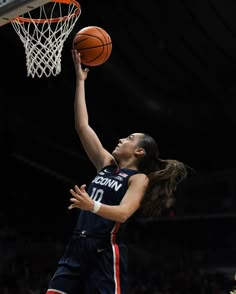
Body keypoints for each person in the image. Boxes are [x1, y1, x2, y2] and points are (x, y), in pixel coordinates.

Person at [46, 50, 188, 294]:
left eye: (130, 138)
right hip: (76, 246)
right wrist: (80, 81)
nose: (122, 139)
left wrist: (93, 206)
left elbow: (123, 214)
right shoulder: (106, 163)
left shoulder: (139, 178)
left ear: (140, 152)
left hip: (103, 251)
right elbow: (82, 126)